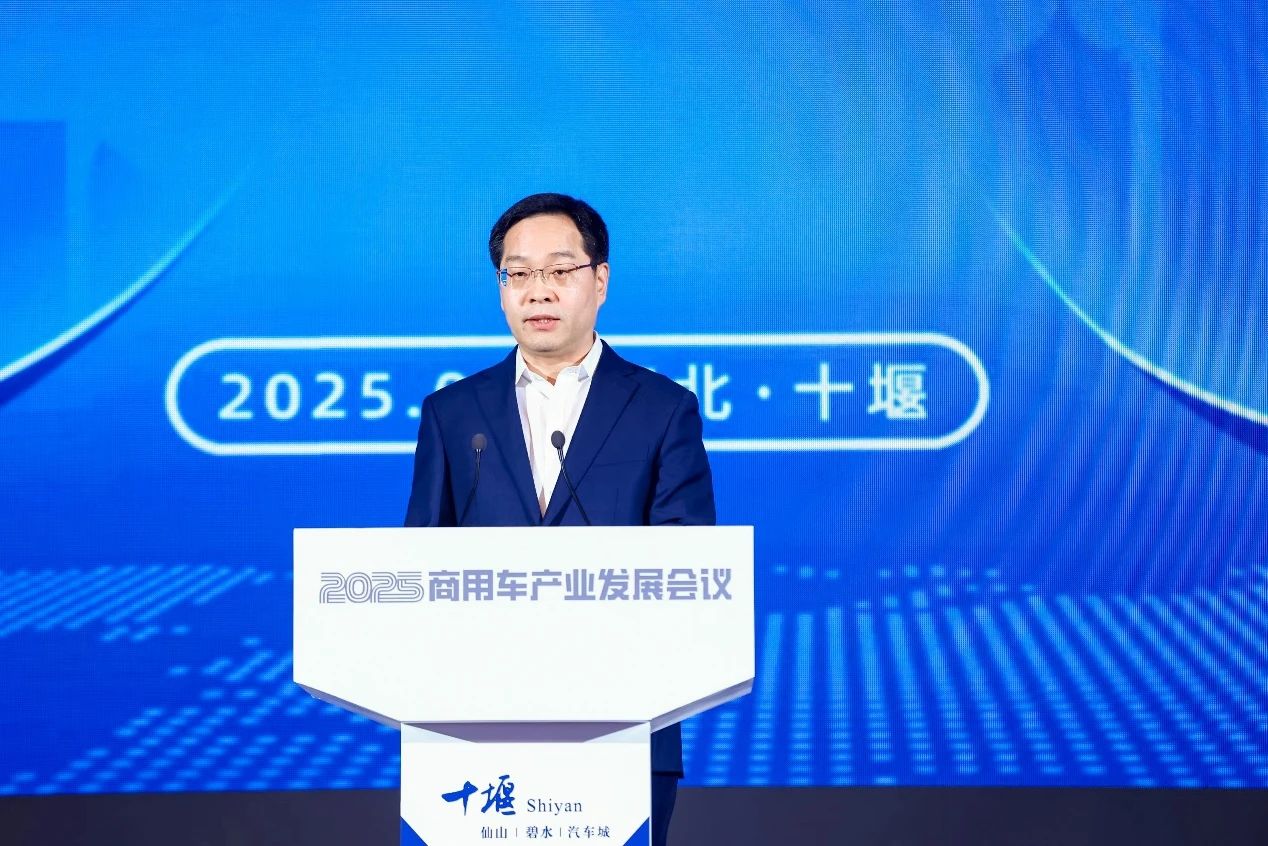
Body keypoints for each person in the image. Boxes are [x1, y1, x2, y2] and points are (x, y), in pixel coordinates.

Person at [404, 192, 715, 845]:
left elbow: (687, 567)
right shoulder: (452, 414)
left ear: (600, 281)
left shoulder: (663, 409)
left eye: (559, 270)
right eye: (518, 273)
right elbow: (421, 568)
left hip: (623, 723)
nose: (537, 290)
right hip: (476, 723)